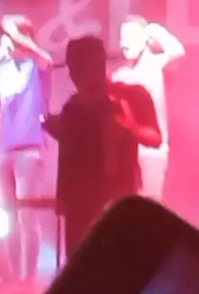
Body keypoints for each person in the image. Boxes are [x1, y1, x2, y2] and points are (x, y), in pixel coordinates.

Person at [44, 36, 162, 260]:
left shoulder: (130, 95)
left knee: (117, 264)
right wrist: (62, 196)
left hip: (116, 200)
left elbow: (155, 137)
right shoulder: (72, 107)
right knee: (80, 266)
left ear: (99, 65)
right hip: (78, 204)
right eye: (72, 69)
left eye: (80, 68)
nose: (74, 76)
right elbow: (68, 155)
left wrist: (128, 126)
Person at [0, 15, 52, 285]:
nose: (6, 41)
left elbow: (43, 56)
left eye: (10, 36)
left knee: (26, 216)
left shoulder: (37, 65)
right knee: (8, 218)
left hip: (30, 150)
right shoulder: (4, 70)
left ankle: (28, 279)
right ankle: (13, 277)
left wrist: (10, 30)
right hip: (5, 151)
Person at [112, 17, 185, 201]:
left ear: (145, 38)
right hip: (126, 152)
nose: (123, 43)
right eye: (121, 38)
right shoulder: (120, 75)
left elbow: (178, 52)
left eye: (130, 37)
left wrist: (155, 30)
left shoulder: (158, 65)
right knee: (128, 204)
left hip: (153, 151)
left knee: (150, 204)